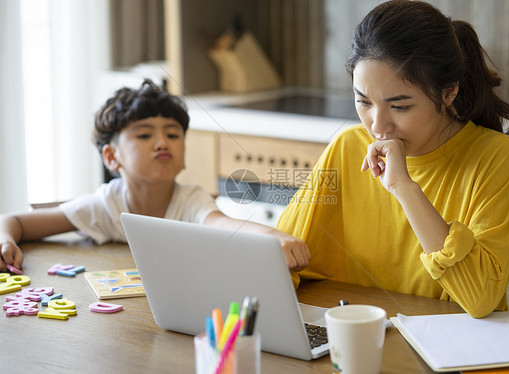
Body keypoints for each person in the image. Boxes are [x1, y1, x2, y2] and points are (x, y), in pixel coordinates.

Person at [276, 0, 509, 318]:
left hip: (445, 350)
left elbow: (479, 299)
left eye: (400, 106)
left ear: (448, 93)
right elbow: (281, 262)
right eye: (363, 102)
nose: (378, 127)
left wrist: (404, 187)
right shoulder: (347, 146)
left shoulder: (495, 157)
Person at [0, 79, 310, 273]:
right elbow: (14, 221)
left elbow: (226, 226)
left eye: (173, 135)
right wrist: (5, 241)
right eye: (145, 135)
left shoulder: (190, 201)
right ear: (111, 157)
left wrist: (273, 237)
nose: (162, 142)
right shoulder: (104, 206)